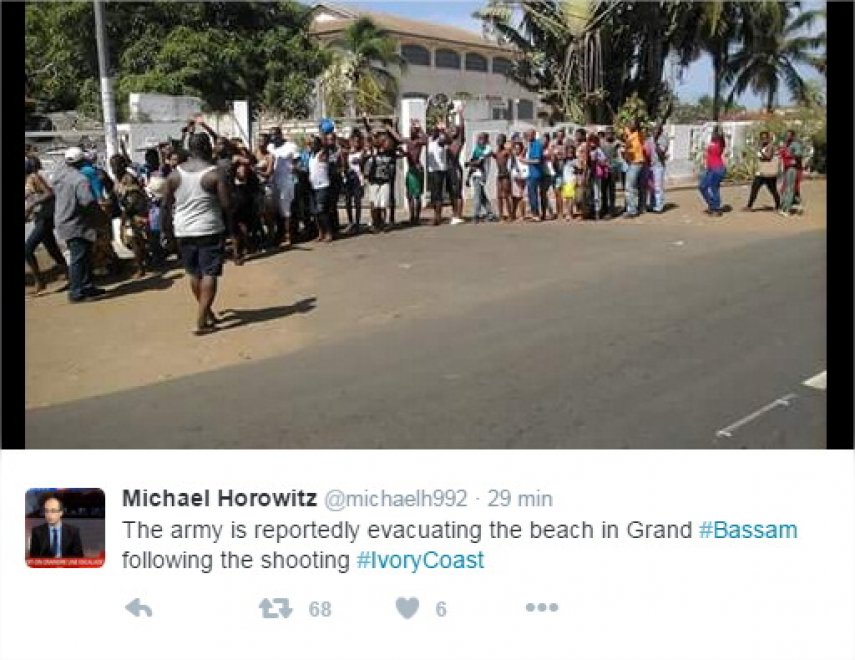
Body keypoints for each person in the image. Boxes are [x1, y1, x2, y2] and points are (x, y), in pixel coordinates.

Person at [163, 132, 231, 335]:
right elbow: (227, 205)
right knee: (209, 274)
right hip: (209, 228)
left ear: (189, 149)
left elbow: (165, 206)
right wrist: (231, 228)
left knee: (194, 274)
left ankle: (206, 312)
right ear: (207, 148)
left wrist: (167, 233)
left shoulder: (174, 175)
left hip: (183, 230)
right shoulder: (215, 174)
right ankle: (201, 320)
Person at [52, 147, 108, 303]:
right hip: (77, 222)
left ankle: (87, 286)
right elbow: (88, 202)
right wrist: (100, 216)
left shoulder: (59, 175)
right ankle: (76, 291)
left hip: (63, 220)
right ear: (82, 161)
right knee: (78, 257)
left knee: (84, 256)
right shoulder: (80, 180)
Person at [25, 156, 68, 295]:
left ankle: (39, 281)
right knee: (51, 247)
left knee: (28, 249)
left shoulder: (34, 177)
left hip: (46, 216)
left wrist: (33, 204)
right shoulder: (27, 179)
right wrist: (29, 212)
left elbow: (49, 193)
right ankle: (70, 274)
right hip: (39, 216)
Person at [365, 132, 399, 232]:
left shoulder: (390, 155)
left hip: (384, 181)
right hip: (374, 181)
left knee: (383, 204)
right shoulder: (372, 154)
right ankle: (375, 224)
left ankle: (383, 223)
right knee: (374, 204)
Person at [742, 130, 781, 212]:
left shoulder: (770, 146)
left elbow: (768, 157)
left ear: (768, 138)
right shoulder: (762, 146)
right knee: (754, 188)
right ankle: (749, 206)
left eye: (765, 138)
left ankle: (778, 205)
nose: (764, 140)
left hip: (769, 173)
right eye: (762, 138)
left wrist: (761, 152)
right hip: (761, 172)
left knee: (773, 190)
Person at [467, 132, 497, 222]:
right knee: (482, 195)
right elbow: (473, 161)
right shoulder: (476, 149)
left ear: (486, 140)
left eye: (481, 138)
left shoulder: (488, 149)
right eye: (478, 138)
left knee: (477, 196)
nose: (479, 140)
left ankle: (476, 215)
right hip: (475, 174)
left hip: (481, 175)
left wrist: (469, 163)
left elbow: (479, 162)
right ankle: (490, 213)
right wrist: (468, 177)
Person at [698, 126, 727, 217]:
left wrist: (720, 130)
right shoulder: (712, 142)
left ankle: (716, 209)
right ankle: (712, 205)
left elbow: (721, 137)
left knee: (714, 188)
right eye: (714, 132)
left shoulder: (720, 143)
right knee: (702, 186)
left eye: (715, 132)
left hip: (718, 168)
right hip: (710, 168)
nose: (714, 134)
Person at [403, 120, 427, 225]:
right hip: (410, 170)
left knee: (417, 195)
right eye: (410, 130)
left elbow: (426, 140)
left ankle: (417, 217)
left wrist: (419, 127)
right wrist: (391, 128)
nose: (411, 131)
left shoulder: (418, 141)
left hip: (417, 169)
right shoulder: (408, 141)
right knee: (409, 195)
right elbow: (398, 138)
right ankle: (412, 216)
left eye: (413, 130)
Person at [342, 132, 367, 234]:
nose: (355, 143)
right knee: (348, 201)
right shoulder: (346, 152)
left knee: (357, 201)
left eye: (357, 141)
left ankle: (357, 223)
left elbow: (361, 162)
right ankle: (350, 222)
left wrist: (359, 159)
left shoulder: (362, 152)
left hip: (358, 179)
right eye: (353, 141)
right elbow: (344, 164)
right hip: (348, 179)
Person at [445, 106, 466, 225]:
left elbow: (462, 128)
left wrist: (460, 115)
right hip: (448, 169)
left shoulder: (459, 141)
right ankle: (455, 214)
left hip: (455, 168)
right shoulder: (448, 142)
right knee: (451, 193)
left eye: (454, 129)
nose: (452, 130)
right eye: (451, 129)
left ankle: (459, 215)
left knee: (457, 192)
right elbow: (446, 128)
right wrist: (447, 114)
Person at [622, 118, 645, 218]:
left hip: (636, 163)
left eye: (632, 123)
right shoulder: (630, 136)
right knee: (633, 187)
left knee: (629, 187)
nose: (629, 125)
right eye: (629, 123)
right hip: (632, 163)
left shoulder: (638, 135)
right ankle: (634, 207)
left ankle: (632, 210)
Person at [427, 122, 449, 226]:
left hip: (439, 171)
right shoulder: (430, 140)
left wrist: (443, 130)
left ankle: (438, 217)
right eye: (432, 131)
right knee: (434, 195)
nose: (433, 132)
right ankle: (436, 216)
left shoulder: (440, 141)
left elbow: (447, 140)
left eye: (435, 131)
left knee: (438, 195)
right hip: (432, 170)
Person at [523, 129, 547, 221]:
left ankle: (536, 215)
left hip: (535, 173)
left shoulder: (537, 144)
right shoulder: (530, 145)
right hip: (530, 173)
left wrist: (525, 161)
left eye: (529, 135)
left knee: (533, 194)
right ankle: (534, 213)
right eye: (527, 135)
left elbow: (537, 160)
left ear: (533, 135)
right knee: (530, 194)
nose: (527, 137)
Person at [778, 130, 803, 218]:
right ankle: (787, 206)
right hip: (787, 168)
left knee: (790, 189)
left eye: (789, 135)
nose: (787, 137)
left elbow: (799, 154)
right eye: (786, 135)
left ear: (793, 136)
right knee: (786, 188)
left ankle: (786, 209)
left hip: (792, 168)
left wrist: (792, 155)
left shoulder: (795, 144)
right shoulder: (786, 145)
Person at [600, 127, 621, 217]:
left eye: (611, 133)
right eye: (607, 133)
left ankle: (612, 210)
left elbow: (619, 156)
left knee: (611, 191)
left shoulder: (616, 143)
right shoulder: (601, 143)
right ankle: (604, 208)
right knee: (603, 191)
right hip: (603, 170)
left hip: (613, 169)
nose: (609, 135)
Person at [649, 123, 669, 213]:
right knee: (651, 187)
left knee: (658, 187)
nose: (655, 131)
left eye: (657, 129)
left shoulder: (663, 139)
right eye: (654, 129)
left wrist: (656, 143)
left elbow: (661, 154)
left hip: (659, 166)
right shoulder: (651, 138)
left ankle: (659, 206)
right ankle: (652, 205)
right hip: (651, 165)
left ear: (661, 130)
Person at [493, 135, 513, 222]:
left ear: (504, 142)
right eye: (498, 140)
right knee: (499, 196)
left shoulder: (506, 151)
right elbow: (494, 156)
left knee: (506, 195)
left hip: (505, 175)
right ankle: (501, 215)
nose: (498, 142)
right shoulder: (497, 152)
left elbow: (512, 158)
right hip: (499, 175)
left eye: (500, 140)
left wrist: (510, 146)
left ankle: (510, 215)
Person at [509, 140, 528, 221]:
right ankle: (513, 214)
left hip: (522, 179)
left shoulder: (523, 157)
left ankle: (522, 215)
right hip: (514, 179)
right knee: (514, 197)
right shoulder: (512, 158)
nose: (517, 150)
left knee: (521, 197)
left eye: (519, 148)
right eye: (515, 148)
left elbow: (526, 168)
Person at [560, 144, 578, 221]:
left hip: (572, 180)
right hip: (565, 180)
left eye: (571, 152)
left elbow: (578, 169)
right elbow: (562, 170)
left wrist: (576, 178)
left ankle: (569, 214)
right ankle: (569, 212)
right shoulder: (564, 161)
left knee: (570, 198)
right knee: (566, 198)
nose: (570, 153)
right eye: (568, 152)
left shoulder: (575, 161)